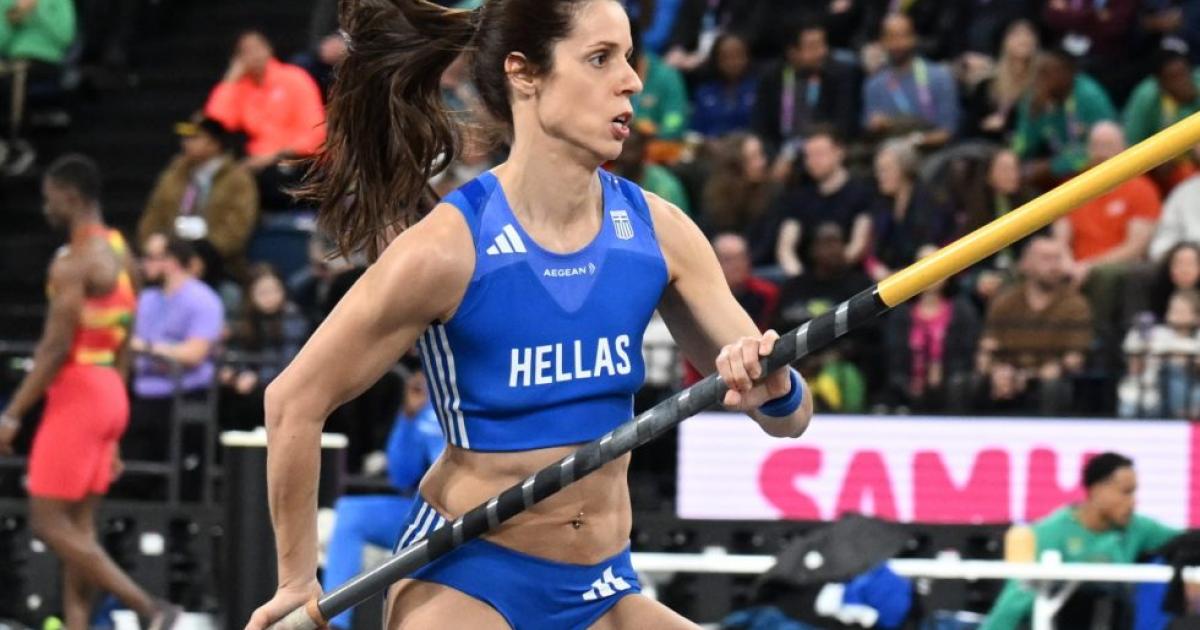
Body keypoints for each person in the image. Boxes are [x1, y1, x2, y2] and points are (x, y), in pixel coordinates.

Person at [245, 2, 813, 629]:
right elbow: (293, 401)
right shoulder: (447, 249)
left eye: (628, 57)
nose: (631, 81)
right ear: (524, 74)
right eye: (600, 58)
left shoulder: (659, 232)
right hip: (468, 578)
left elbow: (790, 419)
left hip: (603, 587)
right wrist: (295, 581)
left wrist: (776, 386)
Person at [0, 155, 180, 630]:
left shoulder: (74, 261)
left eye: (49, 197)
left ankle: (150, 608)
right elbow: (125, 336)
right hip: (110, 392)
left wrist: (13, 414)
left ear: (69, 196)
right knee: (80, 531)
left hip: (78, 393)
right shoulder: (122, 253)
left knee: (47, 521)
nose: (46, 207)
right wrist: (114, 425)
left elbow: (55, 347)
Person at [982, 452, 1180, 630]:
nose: (1132, 501)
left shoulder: (1138, 528)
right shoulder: (1050, 532)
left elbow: (1185, 542)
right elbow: (1016, 599)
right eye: (1126, 492)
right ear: (1097, 490)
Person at [323, 366, 445, 630]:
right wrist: (408, 417)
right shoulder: (427, 404)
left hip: (471, 511)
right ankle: (335, 624)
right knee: (351, 512)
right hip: (426, 510)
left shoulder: (484, 396)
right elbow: (400, 476)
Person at [126, 234, 224, 463]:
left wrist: (147, 348)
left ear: (172, 260)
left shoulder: (203, 299)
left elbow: (195, 353)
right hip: (142, 391)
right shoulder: (146, 299)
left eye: (151, 257)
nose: (144, 264)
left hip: (184, 393)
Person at [204, 30, 326, 210]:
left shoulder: (294, 78)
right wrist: (230, 80)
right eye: (245, 51)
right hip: (257, 161)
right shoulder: (242, 87)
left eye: (257, 47)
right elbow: (216, 121)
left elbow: (316, 132)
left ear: (269, 49)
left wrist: (272, 156)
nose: (254, 55)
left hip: (297, 159)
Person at [974, 236, 1093, 415]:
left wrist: (1033, 376)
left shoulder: (1075, 305)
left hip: (1048, 378)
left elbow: (1075, 357)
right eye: (1046, 258)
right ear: (1025, 264)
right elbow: (987, 348)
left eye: (1058, 258)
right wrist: (996, 370)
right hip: (1007, 375)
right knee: (965, 384)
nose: (1054, 266)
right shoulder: (1005, 302)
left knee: (1053, 387)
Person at [138, 113, 260, 279]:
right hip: (170, 258)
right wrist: (156, 247)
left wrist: (202, 253)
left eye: (195, 137)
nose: (186, 142)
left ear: (215, 143)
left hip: (220, 266)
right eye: (185, 137)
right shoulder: (173, 174)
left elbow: (237, 229)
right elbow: (153, 215)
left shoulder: (238, 179)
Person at [218, 264, 309, 430]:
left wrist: (257, 379)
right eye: (263, 292)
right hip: (247, 385)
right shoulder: (242, 319)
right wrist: (236, 375)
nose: (270, 297)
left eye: (275, 291)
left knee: (259, 398)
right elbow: (236, 354)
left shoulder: (293, 319)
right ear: (250, 294)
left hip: (279, 385)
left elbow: (289, 361)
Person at [774, 128, 873, 277]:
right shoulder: (799, 196)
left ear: (839, 152)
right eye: (808, 155)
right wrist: (800, 277)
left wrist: (832, 271)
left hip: (849, 274)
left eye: (820, 154)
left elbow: (858, 245)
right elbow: (785, 248)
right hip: (807, 276)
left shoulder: (861, 193)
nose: (813, 161)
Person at [1012, 47, 1117, 186]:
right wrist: (1031, 118)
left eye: (1047, 74)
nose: (1041, 80)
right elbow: (1020, 148)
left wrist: (1052, 167)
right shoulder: (1035, 98)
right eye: (1039, 74)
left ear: (1068, 73)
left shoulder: (1090, 97)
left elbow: (1103, 150)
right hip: (1053, 172)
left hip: (1095, 174)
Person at [751, 22, 860, 154]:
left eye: (823, 44)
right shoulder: (772, 78)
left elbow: (844, 125)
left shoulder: (840, 75)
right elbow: (761, 127)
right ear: (792, 53)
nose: (822, 52)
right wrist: (776, 155)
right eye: (813, 47)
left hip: (821, 149)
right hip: (779, 151)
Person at [861, 13, 960, 148]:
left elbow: (947, 132)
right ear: (882, 41)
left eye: (903, 36)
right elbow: (869, 132)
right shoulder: (874, 84)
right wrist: (875, 125)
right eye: (891, 37)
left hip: (929, 149)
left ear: (914, 38)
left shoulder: (940, 77)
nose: (897, 43)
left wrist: (914, 141)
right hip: (887, 148)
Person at [689, 33, 756, 137]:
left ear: (747, 57)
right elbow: (695, 133)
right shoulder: (704, 93)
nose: (733, 62)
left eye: (738, 56)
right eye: (726, 57)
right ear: (716, 60)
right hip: (709, 145)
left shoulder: (759, 91)